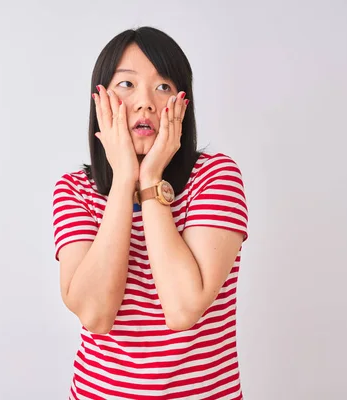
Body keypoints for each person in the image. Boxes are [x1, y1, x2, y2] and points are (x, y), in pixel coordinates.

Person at [52, 26, 249, 400]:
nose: (145, 103)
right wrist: (124, 178)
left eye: (163, 87)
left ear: (182, 103)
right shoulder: (74, 189)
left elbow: (182, 309)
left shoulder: (217, 176)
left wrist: (151, 179)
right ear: (101, 101)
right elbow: (96, 314)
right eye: (126, 85)